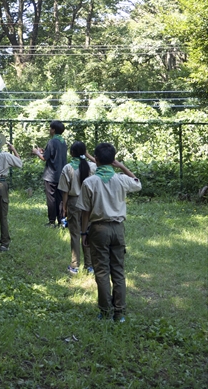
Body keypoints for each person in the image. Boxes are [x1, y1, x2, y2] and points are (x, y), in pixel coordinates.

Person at [76, 142, 142, 322]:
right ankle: (119, 313)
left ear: (95, 160)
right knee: (118, 271)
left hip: (98, 229)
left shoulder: (90, 182)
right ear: (113, 160)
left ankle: (105, 312)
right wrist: (121, 166)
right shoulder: (121, 179)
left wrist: (83, 234)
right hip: (118, 229)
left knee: (102, 271)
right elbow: (138, 183)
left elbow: (85, 211)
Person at [59, 141, 96, 275]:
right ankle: (90, 265)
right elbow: (103, 164)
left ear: (71, 153)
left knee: (75, 234)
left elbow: (65, 191)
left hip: (74, 202)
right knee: (87, 232)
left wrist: (64, 207)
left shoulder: (68, 168)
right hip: (90, 203)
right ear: (85, 152)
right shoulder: (92, 166)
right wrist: (89, 156)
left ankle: (74, 266)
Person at [32, 120, 67, 227]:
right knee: (60, 198)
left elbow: (44, 158)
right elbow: (52, 155)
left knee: (51, 198)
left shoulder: (52, 142)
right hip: (62, 174)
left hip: (51, 175)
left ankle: (52, 221)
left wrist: (37, 152)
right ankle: (61, 220)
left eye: (50, 128)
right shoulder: (63, 142)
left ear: (54, 130)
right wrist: (43, 151)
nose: (49, 130)